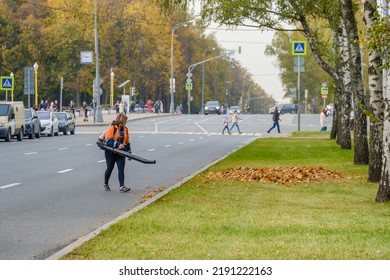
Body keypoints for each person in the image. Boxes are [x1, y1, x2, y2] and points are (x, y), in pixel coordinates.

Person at [103, 113, 132, 193]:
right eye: (125, 120)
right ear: (121, 121)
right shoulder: (112, 128)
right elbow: (108, 141)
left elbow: (127, 143)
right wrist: (118, 145)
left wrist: (129, 153)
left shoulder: (126, 129)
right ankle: (106, 183)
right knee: (109, 168)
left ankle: (122, 186)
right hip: (110, 153)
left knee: (121, 169)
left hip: (120, 153)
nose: (126, 122)